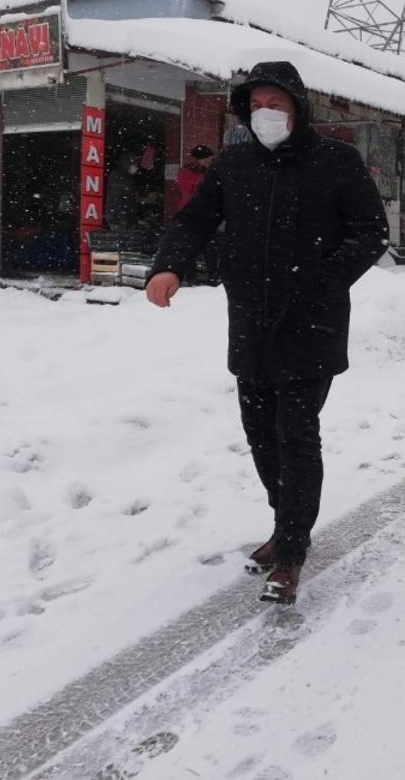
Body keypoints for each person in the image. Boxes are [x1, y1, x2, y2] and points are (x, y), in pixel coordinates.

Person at [145, 62, 388, 606]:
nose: (265, 114)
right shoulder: (234, 164)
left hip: (312, 325)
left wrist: (321, 282)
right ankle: (285, 525)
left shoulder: (336, 161)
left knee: (295, 435)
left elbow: (371, 232)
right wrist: (170, 265)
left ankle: (293, 551)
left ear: (298, 107)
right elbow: (194, 220)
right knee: (260, 436)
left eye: (275, 104)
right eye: (256, 105)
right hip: (251, 323)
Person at [176, 145, 219, 283]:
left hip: (208, 214)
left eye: (210, 159)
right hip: (192, 214)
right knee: (192, 245)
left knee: (210, 247)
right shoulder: (188, 172)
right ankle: (191, 276)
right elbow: (188, 191)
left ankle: (213, 275)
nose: (209, 162)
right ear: (198, 159)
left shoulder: (210, 171)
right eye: (206, 159)